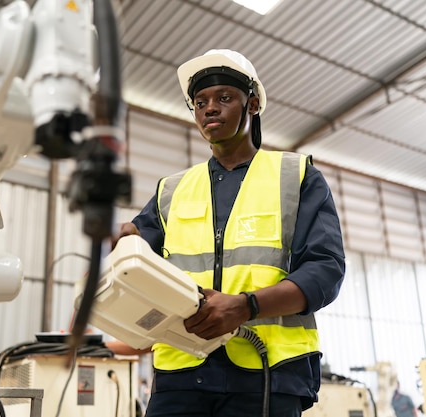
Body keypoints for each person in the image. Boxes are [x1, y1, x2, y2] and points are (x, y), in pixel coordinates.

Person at [114, 49, 345, 417]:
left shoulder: (296, 177)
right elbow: (135, 259)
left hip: (268, 374)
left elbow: (326, 271)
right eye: (200, 102)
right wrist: (121, 243)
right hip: (181, 374)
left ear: (252, 104)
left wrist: (246, 306)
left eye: (224, 98)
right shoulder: (171, 190)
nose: (209, 109)